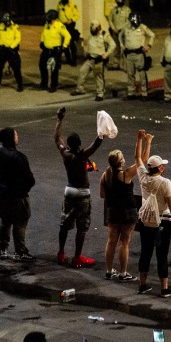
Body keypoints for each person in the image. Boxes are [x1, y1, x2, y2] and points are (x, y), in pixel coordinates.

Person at [55, 107, 104, 267]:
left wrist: (59, 119)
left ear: (68, 144)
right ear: (80, 144)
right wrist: (102, 129)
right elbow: (97, 143)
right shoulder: (83, 155)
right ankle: (77, 257)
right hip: (82, 193)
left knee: (65, 224)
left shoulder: (65, 154)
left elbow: (57, 138)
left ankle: (61, 253)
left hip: (69, 191)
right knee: (81, 227)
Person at [135, 130, 171, 298]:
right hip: (163, 222)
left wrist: (141, 140)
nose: (164, 167)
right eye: (163, 165)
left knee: (145, 252)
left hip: (146, 221)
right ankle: (164, 287)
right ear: (160, 168)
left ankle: (143, 284)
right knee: (162, 254)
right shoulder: (165, 182)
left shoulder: (143, 178)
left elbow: (138, 158)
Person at [0, 127, 36, 261]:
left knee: (5, 220)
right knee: (20, 222)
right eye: (16, 135)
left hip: (1, 193)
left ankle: (2, 248)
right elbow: (29, 179)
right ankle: (20, 251)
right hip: (17, 195)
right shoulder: (19, 157)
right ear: (11, 138)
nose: (17, 136)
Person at [100, 147, 140, 281]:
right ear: (120, 162)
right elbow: (142, 161)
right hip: (127, 212)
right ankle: (123, 273)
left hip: (113, 211)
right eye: (122, 158)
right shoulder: (125, 174)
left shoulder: (105, 175)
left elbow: (102, 194)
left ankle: (109, 270)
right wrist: (145, 141)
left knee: (111, 241)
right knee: (124, 242)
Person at [71, 20, 116, 101]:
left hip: (98, 60)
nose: (93, 30)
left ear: (98, 28)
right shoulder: (91, 35)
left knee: (98, 76)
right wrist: (86, 51)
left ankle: (100, 93)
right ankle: (80, 89)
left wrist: (106, 54)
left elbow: (113, 45)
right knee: (82, 71)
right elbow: (88, 44)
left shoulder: (104, 35)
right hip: (90, 58)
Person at [120, 12, 155, 101]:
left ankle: (144, 93)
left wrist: (149, 45)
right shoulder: (126, 27)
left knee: (142, 73)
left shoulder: (142, 27)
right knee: (130, 74)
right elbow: (120, 35)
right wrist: (121, 45)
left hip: (139, 54)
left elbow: (152, 35)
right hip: (129, 54)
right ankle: (131, 92)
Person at [0, 12, 24, 92]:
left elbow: (17, 38)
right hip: (2, 50)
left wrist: (12, 46)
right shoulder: (0, 26)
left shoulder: (15, 27)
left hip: (11, 50)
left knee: (16, 68)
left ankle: (20, 85)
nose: (6, 23)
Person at [39, 9, 70, 93]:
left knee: (54, 69)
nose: (48, 20)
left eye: (49, 19)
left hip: (55, 50)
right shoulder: (47, 24)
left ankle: (53, 85)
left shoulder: (60, 26)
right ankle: (44, 83)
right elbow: (43, 33)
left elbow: (68, 36)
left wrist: (64, 46)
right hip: (46, 49)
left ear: (54, 18)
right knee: (42, 66)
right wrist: (42, 41)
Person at [107, 0, 131, 70]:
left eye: (121, 0)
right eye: (118, 0)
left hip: (124, 32)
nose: (119, 1)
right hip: (115, 32)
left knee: (124, 48)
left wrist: (121, 29)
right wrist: (114, 28)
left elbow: (128, 21)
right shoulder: (113, 10)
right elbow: (110, 20)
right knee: (116, 48)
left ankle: (125, 65)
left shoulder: (127, 10)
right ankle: (116, 63)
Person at [57, 0, 81, 65]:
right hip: (62, 25)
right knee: (64, 43)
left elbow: (77, 15)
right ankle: (68, 58)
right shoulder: (59, 4)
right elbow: (58, 14)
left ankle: (74, 60)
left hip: (70, 25)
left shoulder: (72, 4)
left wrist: (71, 20)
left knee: (71, 43)